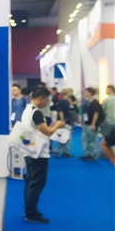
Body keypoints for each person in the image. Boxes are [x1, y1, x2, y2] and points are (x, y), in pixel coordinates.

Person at [21, 87, 65, 223]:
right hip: (38, 153)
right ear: (40, 98)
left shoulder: (27, 110)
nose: (47, 103)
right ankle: (31, 212)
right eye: (46, 100)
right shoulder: (36, 113)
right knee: (36, 183)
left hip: (29, 150)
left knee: (31, 182)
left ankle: (29, 210)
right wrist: (57, 125)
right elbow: (47, 132)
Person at [80, 87, 102, 162]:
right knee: (85, 139)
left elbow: (96, 113)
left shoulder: (94, 103)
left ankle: (93, 154)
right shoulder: (86, 102)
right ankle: (87, 153)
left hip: (91, 124)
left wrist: (93, 124)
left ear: (90, 93)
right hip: (86, 123)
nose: (85, 93)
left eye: (86, 92)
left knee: (92, 139)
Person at [53, 88, 74, 158]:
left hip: (67, 121)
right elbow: (60, 112)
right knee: (64, 137)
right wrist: (62, 121)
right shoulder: (62, 102)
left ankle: (65, 151)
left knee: (67, 137)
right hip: (65, 121)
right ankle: (57, 150)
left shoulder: (66, 101)